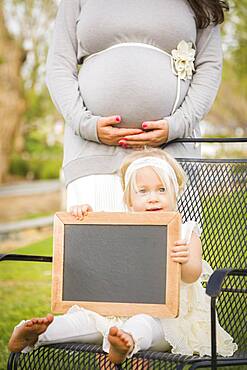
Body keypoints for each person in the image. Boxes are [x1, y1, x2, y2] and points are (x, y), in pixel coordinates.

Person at [8, 149, 237, 364]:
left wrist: (185, 259)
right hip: (113, 313)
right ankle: (37, 334)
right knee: (81, 320)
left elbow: (192, 275)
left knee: (143, 324)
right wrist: (83, 215)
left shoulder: (186, 232)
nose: (153, 198)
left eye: (162, 190)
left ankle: (124, 343)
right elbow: (92, 243)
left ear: (175, 194)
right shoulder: (121, 227)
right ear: (129, 201)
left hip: (167, 319)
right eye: (143, 191)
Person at [46, 0, 229, 211]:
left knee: (176, 243)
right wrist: (85, 124)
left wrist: (177, 125)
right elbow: (58, 64)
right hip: (93, 156)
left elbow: (210, 67)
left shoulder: (201, 2)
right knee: (97, 242)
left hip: (171, 156)